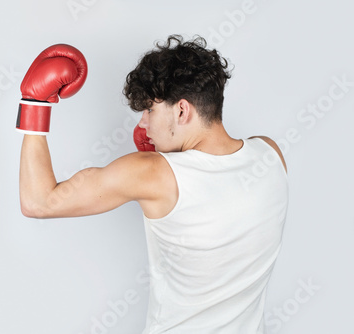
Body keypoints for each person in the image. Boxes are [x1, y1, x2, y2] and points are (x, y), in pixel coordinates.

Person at [17, 35, 288, 333]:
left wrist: (34, 103)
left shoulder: (153, 174)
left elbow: (38, 202)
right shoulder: (271, 155)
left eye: (149, 110)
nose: (143, 124)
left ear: (182, 110)